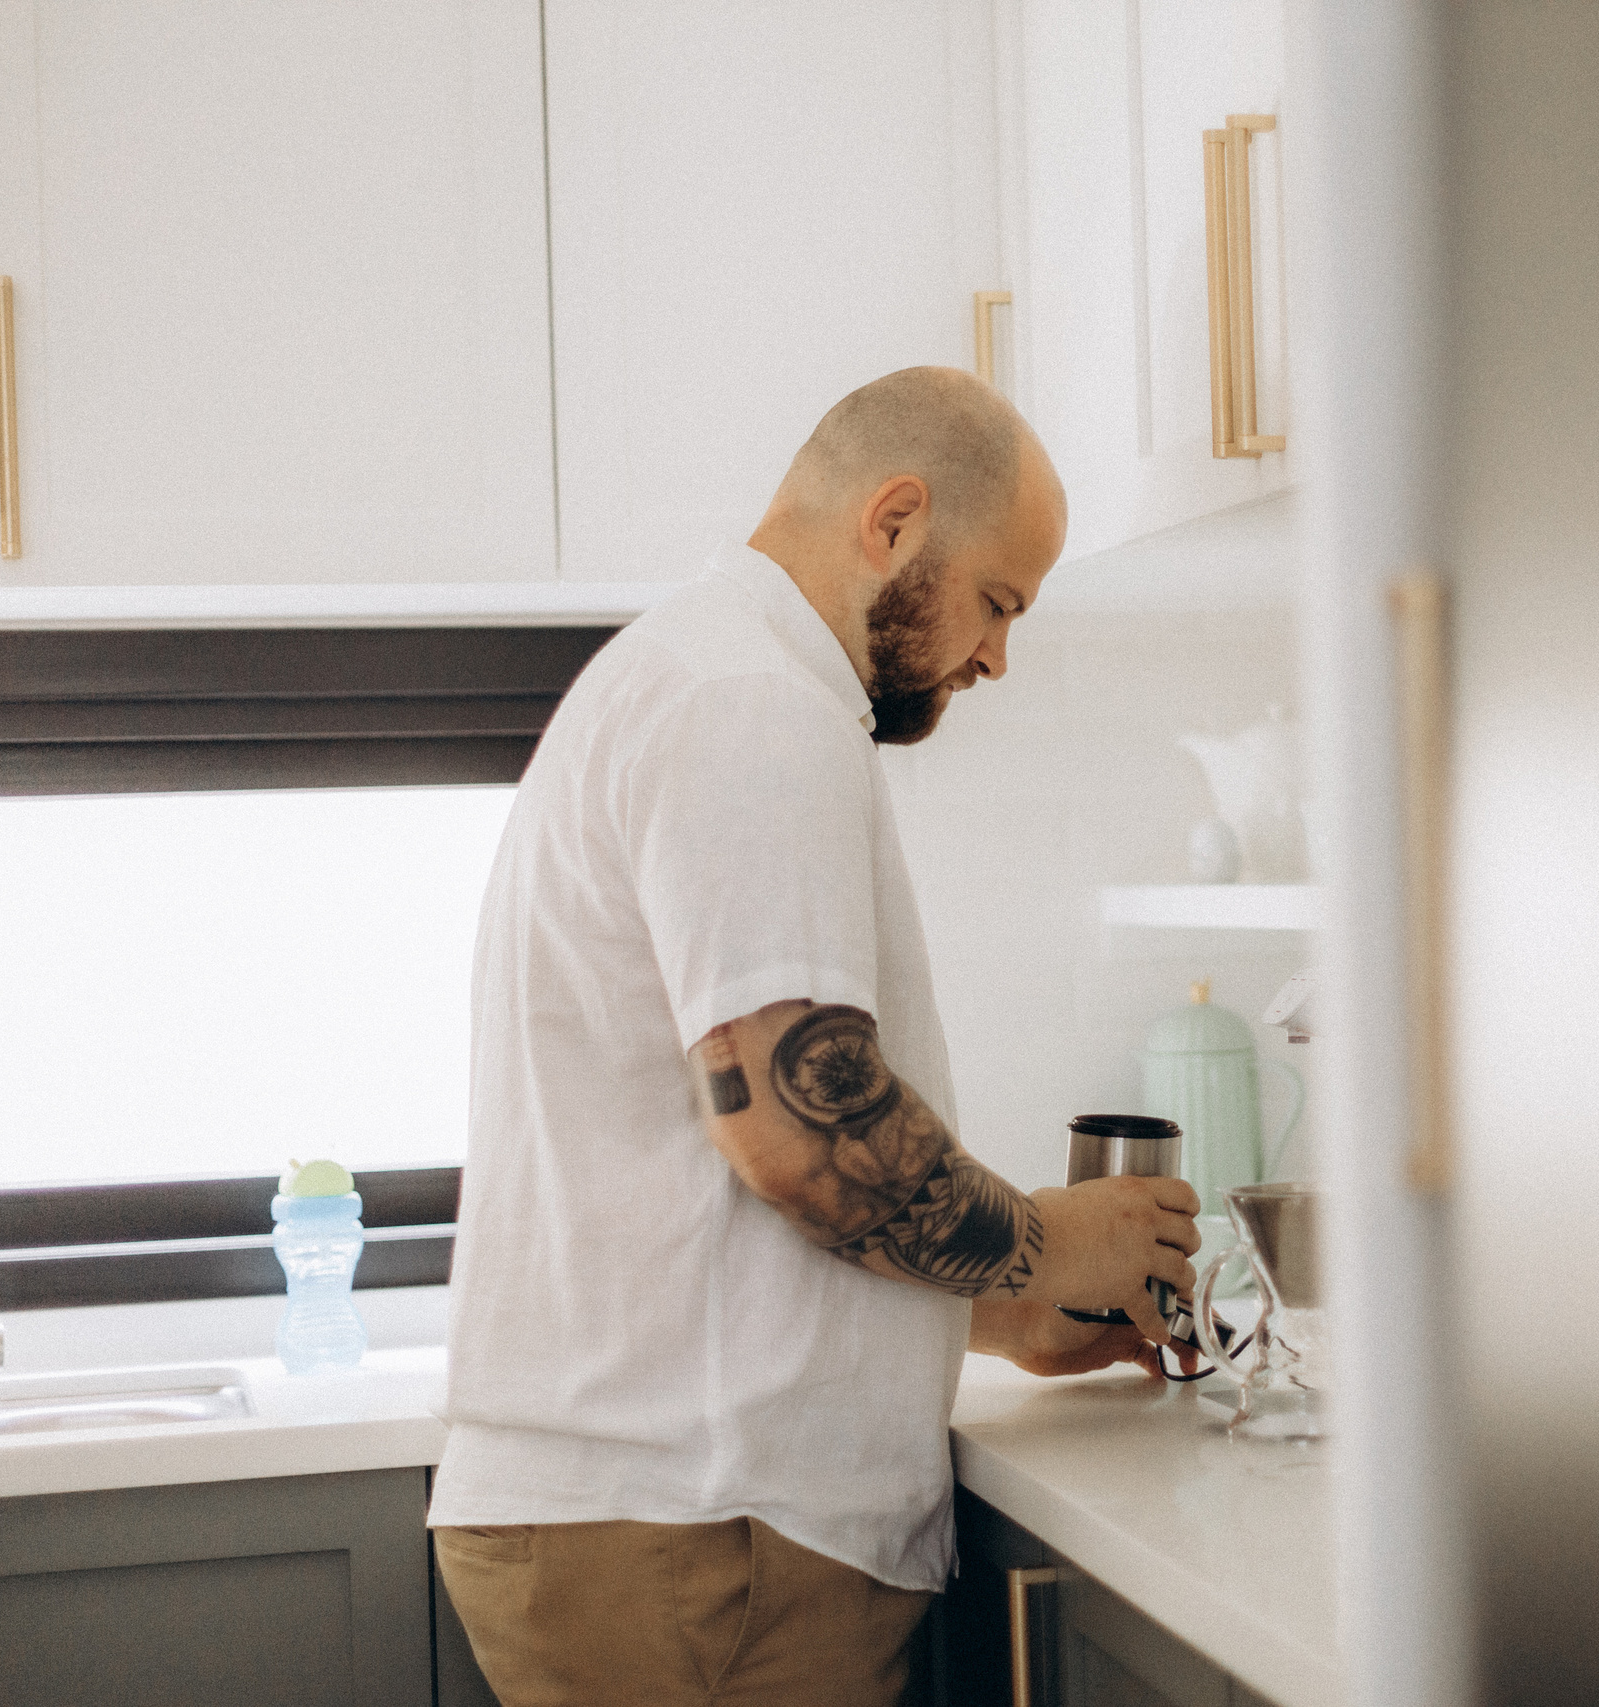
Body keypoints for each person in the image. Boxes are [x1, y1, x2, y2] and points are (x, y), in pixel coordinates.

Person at [428, 367, 1202, 1706]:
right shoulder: (749, 705)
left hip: (675, 1523)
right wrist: (1045, 1238)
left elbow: (715, 1194)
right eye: (998, 601)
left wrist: (1004, 1311)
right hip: (698, 1541)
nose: (998, 656)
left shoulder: (711, 676)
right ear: (896, 522)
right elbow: (800, 1131)